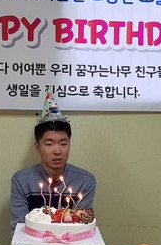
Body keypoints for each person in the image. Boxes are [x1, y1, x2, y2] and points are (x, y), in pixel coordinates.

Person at [10, 93, 96, 234]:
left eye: (63, 144)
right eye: (49, 144)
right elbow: (19, 228)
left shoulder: (85, 181)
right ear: (37, 147)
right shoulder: (21, 181)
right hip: (33, 244)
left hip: (72, 244)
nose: (57, 151)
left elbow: (82, 226)